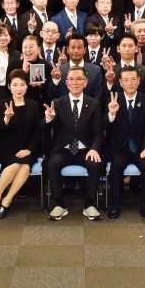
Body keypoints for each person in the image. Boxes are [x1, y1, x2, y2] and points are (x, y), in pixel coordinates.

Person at [45, 66, 104, 221]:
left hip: (85, 150)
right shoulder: (57, 103)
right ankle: (59, 204)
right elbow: (45, 127)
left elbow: (98, 131)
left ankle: (89, 204)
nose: (75, 82)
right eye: (71, 79)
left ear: (85, 82)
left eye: (79, 79)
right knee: (53, 164)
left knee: (95, 164)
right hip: (63, 149)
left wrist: (95, 149)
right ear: (66, 83)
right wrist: (49, 118)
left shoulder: (94, 104)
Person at [102, 66, 145, 219]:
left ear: (139, 81)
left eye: (133, 79)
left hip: (140, 148)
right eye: (126, 80)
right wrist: (111, 114)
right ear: (120, 82)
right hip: (120, 148)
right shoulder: (112, 100)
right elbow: (104, 126)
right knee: (116, 166)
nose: (130, 83)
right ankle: (115, 203)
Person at [0, 70, 43, 218]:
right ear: (9, 86)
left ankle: (6, 199)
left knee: (25, 166)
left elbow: (37, 132)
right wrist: (6, 119)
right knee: (16, 165)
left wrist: (29, 149)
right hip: (5, 148)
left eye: (22, 85)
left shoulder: (33, 105)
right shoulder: (2, 105)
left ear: (27, 86)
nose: (19, 88)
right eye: (15, 85)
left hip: (26, 148)